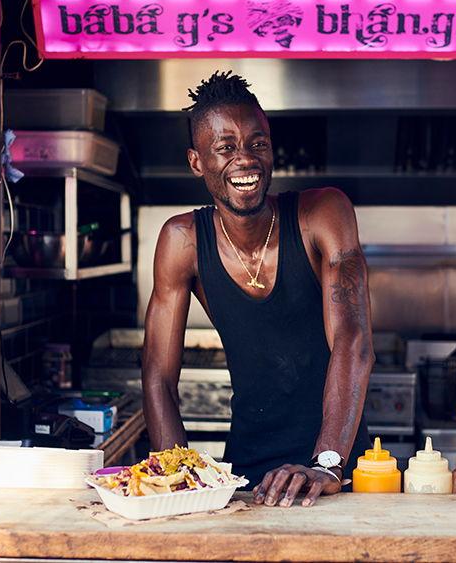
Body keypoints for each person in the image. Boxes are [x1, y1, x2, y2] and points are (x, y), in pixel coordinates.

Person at [141, 71, 373, 508]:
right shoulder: (182, 240)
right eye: (226, 147)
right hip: (247, 473)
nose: (245, 160)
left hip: (339, 468)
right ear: (197, 162)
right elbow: (158, 375)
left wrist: (327, 463)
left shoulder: (323, 213)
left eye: (257, 144)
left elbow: (353, 339)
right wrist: (176, 475)